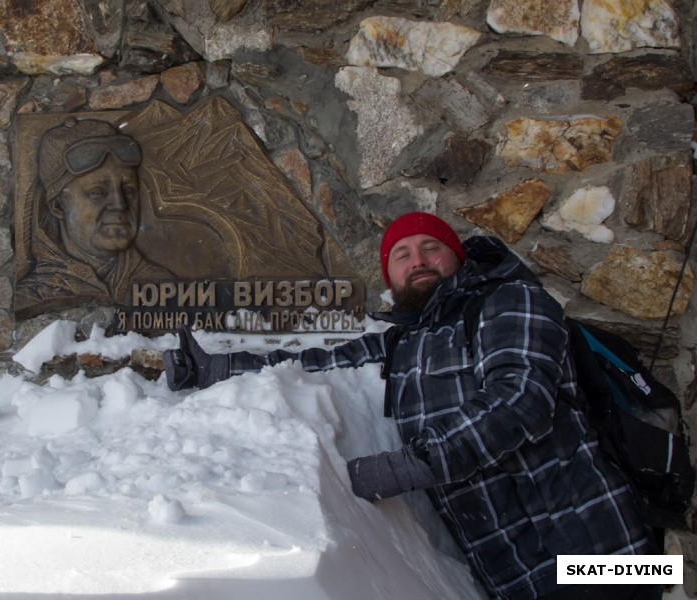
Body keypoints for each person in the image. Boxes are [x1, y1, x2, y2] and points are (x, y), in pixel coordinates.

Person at [162, 212, 661, 600]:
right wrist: (212, 371)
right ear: (390, 275)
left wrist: (409, 466)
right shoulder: (407, 340)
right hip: (514, 572)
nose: (416, 259)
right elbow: (315, 363)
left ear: (457, 258)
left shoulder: (511, 300)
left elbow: (520, 400)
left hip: (599, 549)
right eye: (400, 254)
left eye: (431, 247)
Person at [15, 118, 176, 317]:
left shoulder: (165, 286)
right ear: (58, 206)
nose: (120, 204)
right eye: (98, 192)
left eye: (129, 190)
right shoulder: (33, 295)